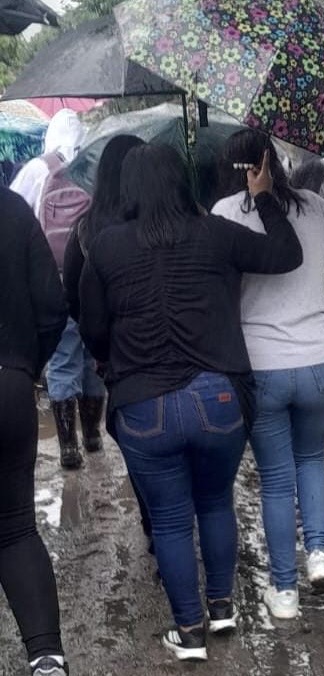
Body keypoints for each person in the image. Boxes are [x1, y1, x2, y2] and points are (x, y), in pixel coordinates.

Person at [78, 143, 303, 662]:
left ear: (131, 189)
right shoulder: (216, 234)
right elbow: (287, 255)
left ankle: (190, 633)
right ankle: (223, 608)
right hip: (219, 397)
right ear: (183, 184)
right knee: (215, 502)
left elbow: (93, 328)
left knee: (172, 519)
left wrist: (115, 361)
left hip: (143, 405)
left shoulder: (107, 247)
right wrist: (264, 197)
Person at [212, 130, 324, 620]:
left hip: (261, 367)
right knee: (312, 460)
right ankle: (319, 553)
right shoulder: (317, 209)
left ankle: (284, 591)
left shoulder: (223, 214)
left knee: (276, 480)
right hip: (318, 360)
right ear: (274, 161)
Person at [61, 134, 155, 548]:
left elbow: (73, 299)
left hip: (116, 359)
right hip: (164, 347)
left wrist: (99, 351)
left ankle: (154, 518)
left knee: (140, 443)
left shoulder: (86, 228)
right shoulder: (164, 221)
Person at [0, 187, 69, 676]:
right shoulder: (12, 207)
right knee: (15, 528)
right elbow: (52, 305)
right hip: (8, 383)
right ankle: (46, 659)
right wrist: (23, 367)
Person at [10, 108, 100, 470]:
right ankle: (93, 436)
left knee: (63, 361)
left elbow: (17, 211)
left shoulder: (37, 168)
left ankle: (68, 447)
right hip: (93, 279)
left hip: (54, 277)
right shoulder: (94, 165)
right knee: (93, 359)